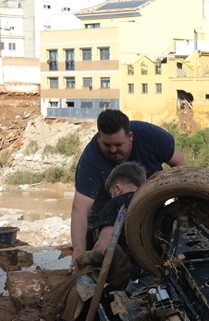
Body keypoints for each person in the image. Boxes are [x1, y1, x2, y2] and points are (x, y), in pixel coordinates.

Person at [71, 109, 185, 259]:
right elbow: (79, 209)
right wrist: (78, 254)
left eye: (118, 144)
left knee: (159, 239)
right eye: (107, 144)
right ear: (99, 137)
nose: (113, 150)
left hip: (149, 199)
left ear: (130, 136)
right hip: (105, 206)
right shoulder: (90, 161)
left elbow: (181, 169)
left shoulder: (152, 137)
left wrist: (182, 210)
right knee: (100, 251)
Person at [74, 161, 145, 287]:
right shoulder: (155, 204)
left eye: (111, 193)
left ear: (118, 188)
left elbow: (102, 249)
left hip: (131, 283)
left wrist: (88, 257)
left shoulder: (116, 203)